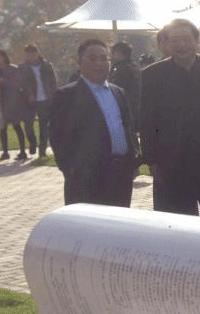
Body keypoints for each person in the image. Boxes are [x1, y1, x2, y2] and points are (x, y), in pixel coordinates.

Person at [140, 18, 200, 217]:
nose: (181, 44)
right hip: (172, 165)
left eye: (186, 39)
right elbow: (147, 121)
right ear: (167, 43)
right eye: (175, 40)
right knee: (176, 226)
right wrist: (152, 161)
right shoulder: (152, 75)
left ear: (196, 41)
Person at [49, 39, 138, 206]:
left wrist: (132, 161)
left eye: (104, 58)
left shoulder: (118, 92)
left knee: (117, 221)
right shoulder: (66, 95)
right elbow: (57, 137)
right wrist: (72, 170)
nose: (99, 63)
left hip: (120, 177)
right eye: (92, 58)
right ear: (80, 62)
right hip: (85, 181)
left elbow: (128, 129)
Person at [20, 44, 58, 158]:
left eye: (33, 53)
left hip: (45, 99)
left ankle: (42, 151)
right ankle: (33, 143)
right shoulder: (22, 67)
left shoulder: (47, 65)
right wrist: (28, 94)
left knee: (44, 126)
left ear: (38, 53)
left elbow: (53, 81)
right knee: (28, 125)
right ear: (26, 55)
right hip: (30, 100)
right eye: (29, 54)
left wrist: (54, 95)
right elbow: (22, 83)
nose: (31, 56)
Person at [0, 48, 28, 161]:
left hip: (12, 102)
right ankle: (5, 152)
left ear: (4, 58)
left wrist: (2, 81)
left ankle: (23, 151)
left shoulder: (13, 69)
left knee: (16, 126)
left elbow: (16, 84)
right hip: (0, 104)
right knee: (2, 128)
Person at [108, 41, 142, 131]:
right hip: (134, 110)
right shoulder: (134, 66)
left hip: (123, 111)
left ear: (119, 53)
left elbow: (114, 90)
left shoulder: (121, 69)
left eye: (113, 52)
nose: (111, 55)